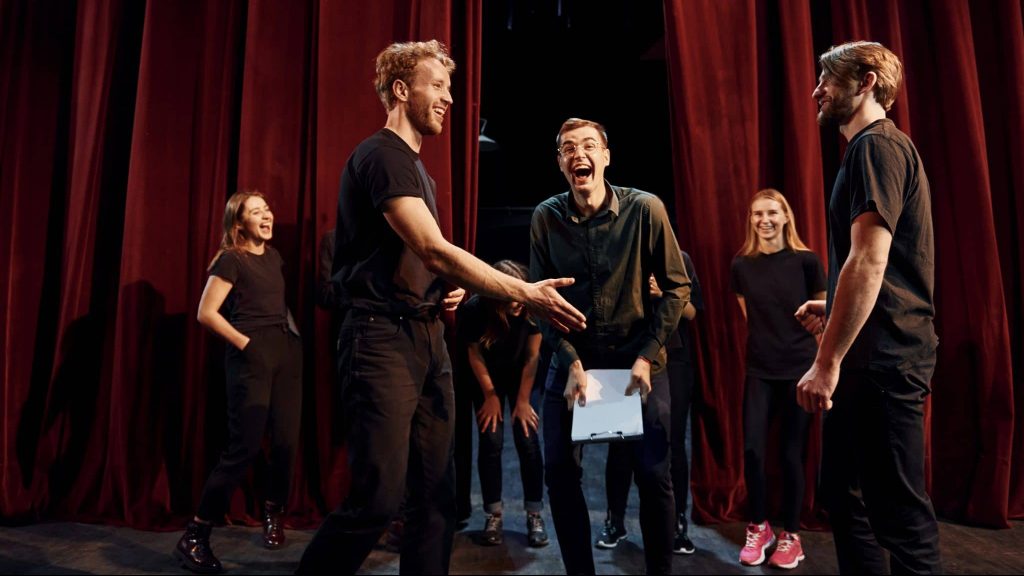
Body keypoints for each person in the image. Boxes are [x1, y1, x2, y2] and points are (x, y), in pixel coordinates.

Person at [296, 40, 586, 575]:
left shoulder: (417, 170)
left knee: (436, 499)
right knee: (377, 500)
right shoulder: (381, 155)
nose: (449, 99)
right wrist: (523, 290)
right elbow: (433, 247)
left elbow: (417, 257)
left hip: (425, 336)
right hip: (379, 340)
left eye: (449, 88)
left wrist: (438, 289)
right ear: (402, 91)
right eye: (438, 86)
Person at [795, 41, 942, 574]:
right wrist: (833, 301)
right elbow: (874, 266)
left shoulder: (876, 147)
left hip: (886, 360)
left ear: (866, 83)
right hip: (872, 353)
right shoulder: (867, 149)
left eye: (827, 80)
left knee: (900, 517)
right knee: (841, 490)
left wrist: (826, 361)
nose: (816, 90)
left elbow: (870, 260)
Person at [530, 117, 691, 575]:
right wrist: (571, 361)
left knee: (655, 475)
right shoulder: (546, 217)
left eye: (587, 146)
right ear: (561, 163)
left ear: (605, 156)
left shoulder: (646, 210)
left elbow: (678, 288)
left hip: (637, 358)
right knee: (559, 474)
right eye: (566, 148)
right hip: (573, 359)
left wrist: (648, 354)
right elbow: (542, 299)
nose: (577, 154)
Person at [175, 190, 303, 574]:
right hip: (251, 356)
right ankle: (195, 536)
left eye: (267, 208)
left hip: (286, 351)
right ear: (239, 224)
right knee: (242, 449)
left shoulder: (275, 257)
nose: (267, 215)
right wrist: (248, 344)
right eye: (256, 212)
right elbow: (206, 312)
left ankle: (272, 513)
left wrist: (288, 343)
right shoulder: (231, 259)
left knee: (285, 443)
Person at [730, 189, 826, 569]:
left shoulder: (807, 261)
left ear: (786, 216)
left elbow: (825, 319)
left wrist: (820, 367)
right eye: (756, 214)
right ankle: (759, 527)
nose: (764, 220)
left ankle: (791, 536)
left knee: (790, 454)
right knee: (753, 450)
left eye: (771, 212)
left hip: (800, 370)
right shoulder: (741, 265)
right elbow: (751, 317)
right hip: (760, 369)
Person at [598, 252, 704, 557]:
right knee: (619, 441)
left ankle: (676, 525)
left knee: (671, 442)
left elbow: (694, 313)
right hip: (625, 355)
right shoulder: (618, 250)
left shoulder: (680, 257)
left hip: (674, 359)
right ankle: (614, 520)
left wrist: (663, 295)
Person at [456, 260, 549, 548]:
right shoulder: (474, 310)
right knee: (491, 440)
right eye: (511, 297)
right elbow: (474, 354)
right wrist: (491, 395)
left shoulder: (532, 305)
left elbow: (533, 356)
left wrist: (522, 400)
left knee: (527, 439)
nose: (518, 303)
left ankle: (534, 514)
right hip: (487, 379)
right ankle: (493, 514)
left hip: (523, 374)